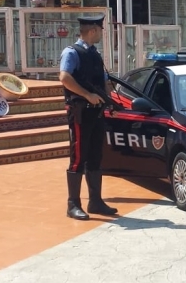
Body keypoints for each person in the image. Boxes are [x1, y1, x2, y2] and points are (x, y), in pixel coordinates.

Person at [59, 13, 118, 220]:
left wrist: (110, 98)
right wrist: (87, 95)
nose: (102, 33)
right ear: (93, 30)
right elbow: (64, 77)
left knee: (95, 156)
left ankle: (95, 201)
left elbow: (103, 81)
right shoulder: (72, 53)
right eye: (101, 29)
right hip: (80, 112)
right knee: (78, 158)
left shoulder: (94, 54)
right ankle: (73, 204)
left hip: (96, 111)